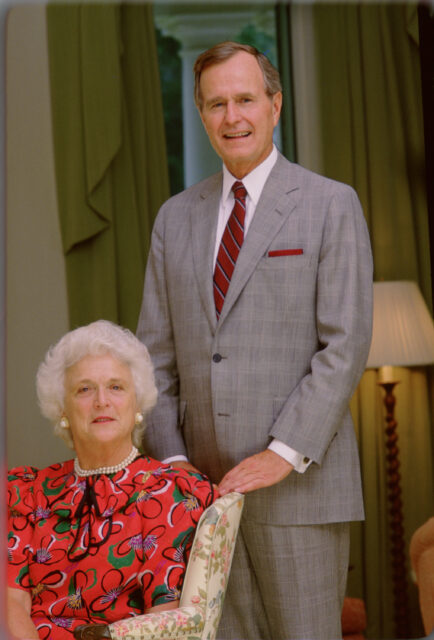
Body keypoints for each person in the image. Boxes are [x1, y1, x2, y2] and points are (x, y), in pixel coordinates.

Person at [137, 41, 373, 640]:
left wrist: (281, 453)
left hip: (300, 492)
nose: (232, 116)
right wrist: (173, 466)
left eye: (245, 99)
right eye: (216, 104)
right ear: (201, 115)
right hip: (203, 504)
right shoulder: (174, 218)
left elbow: (344, 345)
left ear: (275, 105)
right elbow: (152, 360)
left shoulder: (330, 204)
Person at [7, 320, 214, 640]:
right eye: (84, 389)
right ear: (63, 409)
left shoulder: (169, 495)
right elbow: (11, 603)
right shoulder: (28, 494)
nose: (101, 400)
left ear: (137, 405)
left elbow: (163, 623)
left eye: (116, 387)